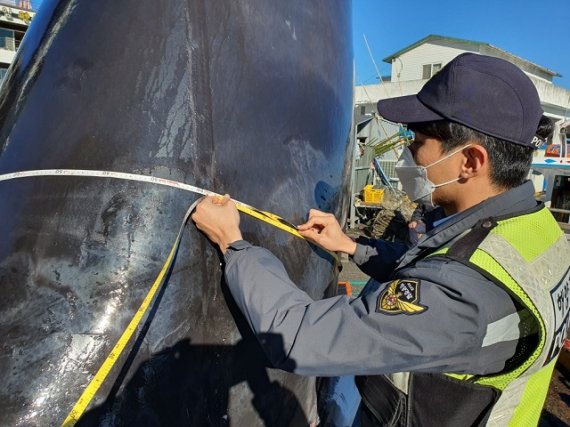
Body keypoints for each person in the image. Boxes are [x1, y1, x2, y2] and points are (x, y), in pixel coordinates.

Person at [191, 53, 570, 426]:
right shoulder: (534, 229)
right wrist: (352, 246)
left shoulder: (462, 300)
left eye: (417, 141)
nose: (408, 154)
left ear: (470, 161)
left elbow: (300, 337)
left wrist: (234, 244)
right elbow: (440, 266)